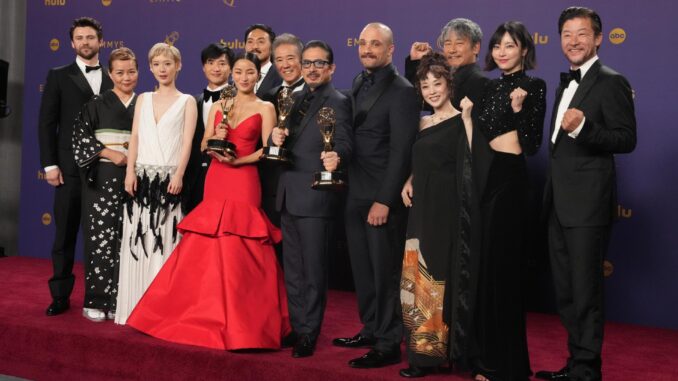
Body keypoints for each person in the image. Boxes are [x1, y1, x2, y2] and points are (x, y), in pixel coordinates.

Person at [127, 52, 291, 351]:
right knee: (206, 246)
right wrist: (215, 140)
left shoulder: (266, 107)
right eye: (238, 71)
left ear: (258, 76)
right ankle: (199, 314)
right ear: (232, 74)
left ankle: (246, 324)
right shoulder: (218, 105)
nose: (243, 77)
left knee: (241, 244)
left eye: (250, 72)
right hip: (216, 178)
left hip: (244, 179)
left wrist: (240, 161)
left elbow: (268, 149)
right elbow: (203, 144)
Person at [536, 7, 636, 381]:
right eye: (566, 34)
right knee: (566, 292)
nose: (573, 41)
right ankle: (575, 364)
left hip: (588, 206)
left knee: (586, 292)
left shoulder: (611, 81)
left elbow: (626, 138)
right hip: (559, 204)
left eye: (581, 34)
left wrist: (584, 128)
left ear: (597, 39)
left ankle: (587, 370)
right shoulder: (566, 82)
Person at [332, 22, 419, 368]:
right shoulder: (357, 82)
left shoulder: (402, 91)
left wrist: (385, 200)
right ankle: (370, 327)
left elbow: (402, 150)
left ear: (391, 50)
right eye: (364, 44)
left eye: (376, 44)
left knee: (385, 274)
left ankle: (387, 342)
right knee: (363, 270)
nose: (368, 49)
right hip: (353, 190)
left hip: (381, 198)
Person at [472, 21, 546, 381]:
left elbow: (532, 145)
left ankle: (508, 366)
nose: (502, 51)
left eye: (510, 46)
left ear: (524, 51)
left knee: (504, 275)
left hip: (510, 181)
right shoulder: (487, 88)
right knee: (484, 272)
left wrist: (519, 112)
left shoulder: (534, 86)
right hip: (485, 177)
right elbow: (477, 135)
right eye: (497, 45)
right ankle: (484, 360)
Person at [270, 40, 352, 358]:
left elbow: (344, 142)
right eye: (307, 63)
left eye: (319, 63)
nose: (312, 69)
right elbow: (281, 137)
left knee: (314, 271)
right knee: (293, 270)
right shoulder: (293, 98)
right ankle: (298, 325)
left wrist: (337, 157)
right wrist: (273, 138)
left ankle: (310, 333)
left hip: (316, 195)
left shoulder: (339, 101)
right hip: (289, 194)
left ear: (331, 68)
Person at [398, 52, 475, 378]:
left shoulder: (462, 119)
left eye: (437, 83)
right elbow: (420, 160)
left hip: (447, 209)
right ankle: (422, 354)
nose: (431, 90)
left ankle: (445, 353)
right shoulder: (420, 122)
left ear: (449, 85)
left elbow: (474, 162)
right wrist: (409, 180)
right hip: (420, 206)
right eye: (425, 84)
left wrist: (470, 120)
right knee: (416, 278)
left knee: (439, 277)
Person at [114, 43, 197, 325]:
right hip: (141, 179)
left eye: (168, 63)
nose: (163, 69)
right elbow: (135, 137)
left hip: (169, 181)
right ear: (150, 68)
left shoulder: (188, 101)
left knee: (165, 243)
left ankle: (161, 312)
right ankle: (133, 308)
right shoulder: (143, 99)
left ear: (179, 65)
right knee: (138, 240)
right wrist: (129, 172)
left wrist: (179, 175)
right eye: (157, 64)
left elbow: (188, 143)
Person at [39, 17, 113, 316]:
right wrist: (50, 164)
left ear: (100, 41)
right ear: (72, 43)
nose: (85, 42)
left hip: (106, 169)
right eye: (80, 38)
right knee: (65, 236)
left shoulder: (114, 78)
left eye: (90, 37)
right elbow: (47, 123)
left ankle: (101, 297)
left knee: (103, 237)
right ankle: (59, 296)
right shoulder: (58, 76)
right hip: (68, 170)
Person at [71, 47, 139, 322]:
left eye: (131, 72)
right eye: (120, 72)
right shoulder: (96, 104)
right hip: (102, 176)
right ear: (110, 74)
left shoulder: (145, 104)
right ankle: (96, 299)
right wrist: (111, 153)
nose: (126, 77)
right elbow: (80, 138)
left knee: (129, 238)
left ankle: (121, 300)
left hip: (135, 178)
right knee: (101, 239)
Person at [184, 43, 234, 213]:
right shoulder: (192, 101)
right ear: (203, 67)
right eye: (211, 62)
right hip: (194, 178)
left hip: (226, 173)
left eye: (222, 63)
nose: (216, 68)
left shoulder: (241, 101)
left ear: (231, 68)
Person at [405, 18, 488, 117]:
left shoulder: (480, 82)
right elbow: (416, 102)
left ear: (475, 47)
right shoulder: (446, 78)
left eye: (459, 43)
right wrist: (416, 60)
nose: (452, 50)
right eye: (447, 43)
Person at [245, 23, 282, 98]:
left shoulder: (281, 76)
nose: (255, 46)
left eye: (261, 41)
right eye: (250, 41)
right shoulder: (236, 80)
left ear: (272, 47)